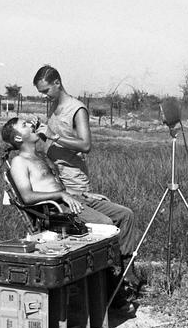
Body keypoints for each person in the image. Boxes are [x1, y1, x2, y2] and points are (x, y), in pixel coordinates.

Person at [32, 66, 140, 275]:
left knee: (125, 216)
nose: (45, 96)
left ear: (57, 83)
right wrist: (41, 130)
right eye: (41, 93)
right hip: (61, 186)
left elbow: (85, 145)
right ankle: (112, 275)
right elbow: (50, 141)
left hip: (75, 183)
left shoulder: (77, 109)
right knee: (111, 221)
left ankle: (124, 274)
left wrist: (52, 135)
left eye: (46, 91)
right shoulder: (53, 107)